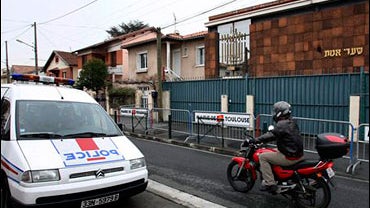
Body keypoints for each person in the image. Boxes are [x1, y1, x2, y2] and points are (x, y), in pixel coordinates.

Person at [253, 101, 304, 192]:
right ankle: (277, 175)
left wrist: (256, 140)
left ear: (280, 112)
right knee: (272, 150)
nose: (274, 113)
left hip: (290, 156)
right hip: (297, 153)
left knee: (263, 157)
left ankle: (270, 183)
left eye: (275, 111)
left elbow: (270, 135)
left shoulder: (281, 124)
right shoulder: (292, 122)